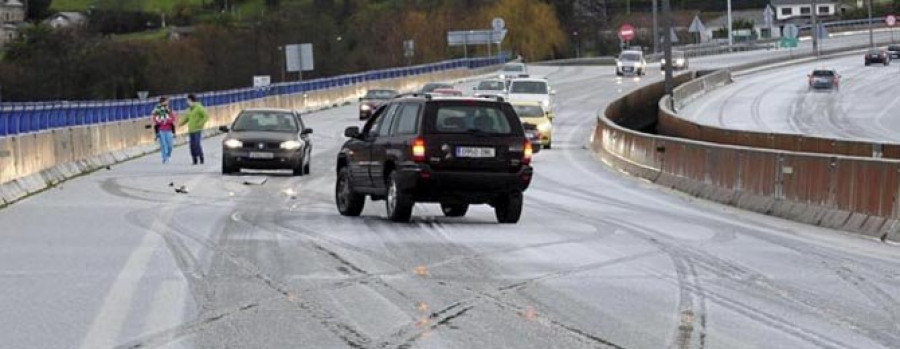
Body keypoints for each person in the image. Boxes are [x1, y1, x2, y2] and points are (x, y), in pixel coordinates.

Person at [180, 94, 209, 165]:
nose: (187, 102)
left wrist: (200, 124)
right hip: (191, 129)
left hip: (197, 129)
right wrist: (180, 123)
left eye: (188, 100)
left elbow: (206, 116)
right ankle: (194, 159)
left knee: (197, 144)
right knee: (192, 145)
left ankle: (201, 157)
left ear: (191, 100)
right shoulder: (189, 109)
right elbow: (187, 118)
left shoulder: (199, 108)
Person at [152, 97, 177, 164]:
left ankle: (168, 155)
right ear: (162, 102)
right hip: (161, 130)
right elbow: (155, 119)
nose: (167, 103)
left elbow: (173, 118)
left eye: (167, 101)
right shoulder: (157, 109)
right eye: (166, 101)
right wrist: (161, 121)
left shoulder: (169, 110)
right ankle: (164, 158)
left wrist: (167, 120)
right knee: (163, 145)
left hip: (169, 130)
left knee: (170, 146)